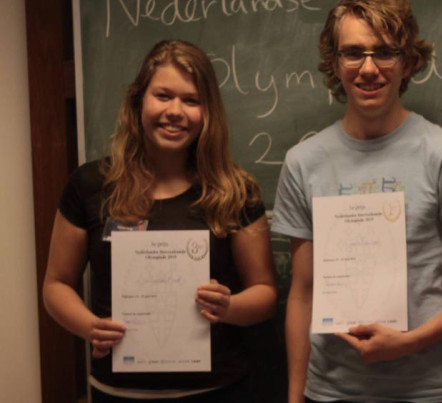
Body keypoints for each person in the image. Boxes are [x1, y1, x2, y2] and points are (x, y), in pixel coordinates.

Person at [271, 1, 442, 402]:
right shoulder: (303, 163)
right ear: (334, 62)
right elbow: (303, 293)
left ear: (408, 61)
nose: (369, 68)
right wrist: (297, 396)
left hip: (427, 391)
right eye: (353, 52)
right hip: (330, 392)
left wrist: (410, 342)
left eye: (384, 51)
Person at [43, 40, 278, 402]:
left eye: (191, 100)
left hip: (218, 391)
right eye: (163, 95)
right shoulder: (89, 185)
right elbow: (56, 285)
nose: (175, 111)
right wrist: (90, 327)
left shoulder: (236, 190)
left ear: (208, 111)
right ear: (139, 101)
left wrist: (229, 307)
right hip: (117, 392)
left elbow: (264, 295)